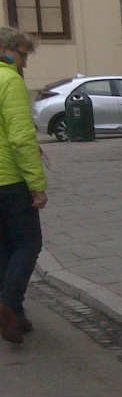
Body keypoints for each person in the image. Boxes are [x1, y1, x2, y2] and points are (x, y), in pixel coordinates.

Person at [0, 27, 47, 344]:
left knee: (4, 247)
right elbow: (20, 138)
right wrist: (37, 184)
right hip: (10, 180)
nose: (24, 64)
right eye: (23, 55)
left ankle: (14, 312)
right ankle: (6, 306)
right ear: (8, 50)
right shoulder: (9, 81)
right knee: (29, 243)